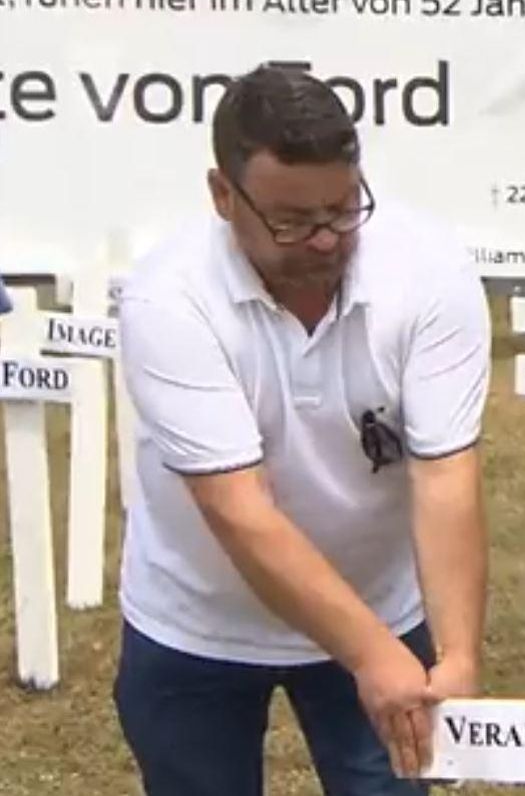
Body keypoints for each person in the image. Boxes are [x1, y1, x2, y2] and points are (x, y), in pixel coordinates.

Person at [113, 65, 491, 795]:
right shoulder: (168, 298)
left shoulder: (430, 271)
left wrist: (457, 656)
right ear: (223, 196)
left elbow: (445, 473)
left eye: (343, 210)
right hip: (196, 625)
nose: (323, 240)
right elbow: (240, 508)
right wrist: (372, 655)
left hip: (382, 600)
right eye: (290, 221)